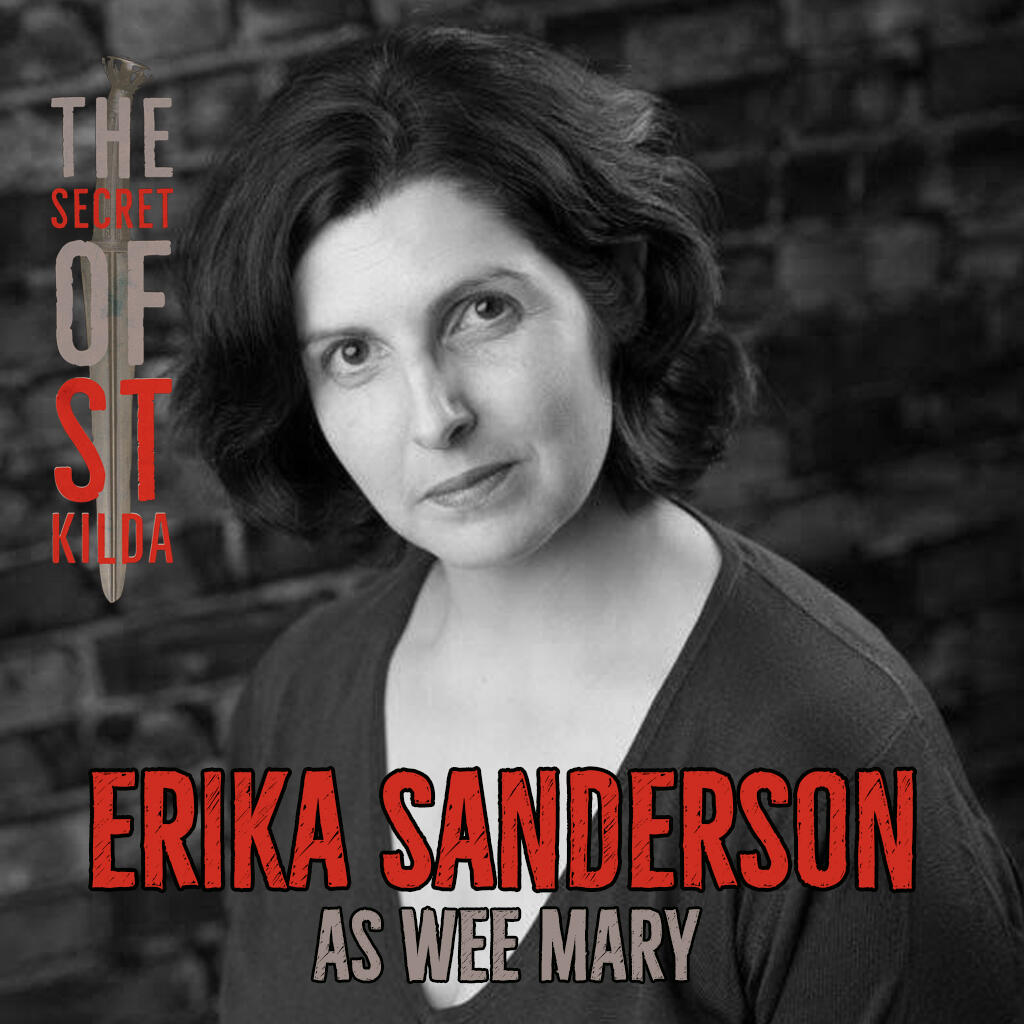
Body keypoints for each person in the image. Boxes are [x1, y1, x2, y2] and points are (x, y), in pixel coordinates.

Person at [175, 26, 1023, 1023]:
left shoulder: (827, 751)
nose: (433, 414)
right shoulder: (298, 696)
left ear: (610, 293)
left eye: (481, 311)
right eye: (352, 353)